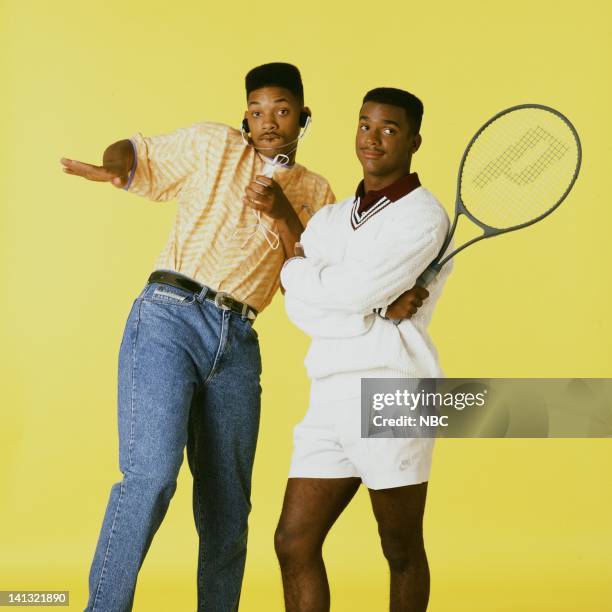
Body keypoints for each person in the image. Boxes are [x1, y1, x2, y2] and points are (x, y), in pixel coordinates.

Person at [60, 62, 337, 612]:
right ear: (244, 116)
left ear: (303, 115)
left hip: (239, 342)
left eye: (281, 110)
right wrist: (114, 166)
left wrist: (284, 213)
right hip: (170, 315)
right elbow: (138, 152)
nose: (268, 123)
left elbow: (311, 282)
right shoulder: (214, 145)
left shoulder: (316, 192)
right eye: (256, 112)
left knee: (229, 511)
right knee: (152, 476)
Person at [275, 87, 451, 612]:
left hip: (393, 390)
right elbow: (297, 306)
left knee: (399, 548)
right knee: (293, 542)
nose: (372, 138)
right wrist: (370, 304)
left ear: (414, 140)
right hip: (328, 390)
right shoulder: (330, 218)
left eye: (389, 129)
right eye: (364, 124)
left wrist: (312, 277)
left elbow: (341, 293)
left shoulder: (424, 217)